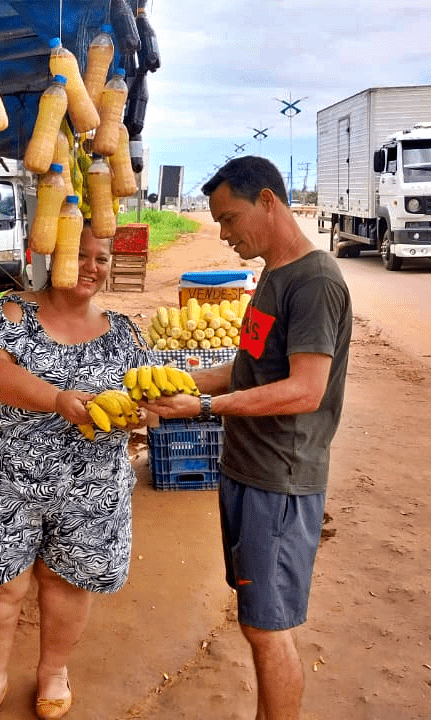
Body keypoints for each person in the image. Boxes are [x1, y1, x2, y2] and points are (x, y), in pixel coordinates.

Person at [144, 156, 352, 720]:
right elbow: (248, 371)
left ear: (267, 200)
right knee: (255, 618)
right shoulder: (275, 276)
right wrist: (179, 382)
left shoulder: (313, 282)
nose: (224, 234)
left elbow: (305, 390)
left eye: (229, 219)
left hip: (279, 480)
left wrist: (205, 407)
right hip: (246, 470)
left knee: (267, 627)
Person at [0, 224, 153, 720]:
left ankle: (53, 673)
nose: (91, 267)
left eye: (101, 258)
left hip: (93, 484)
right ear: (53, 258)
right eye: (80, 255)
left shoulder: (125, 333)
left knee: (68, 583)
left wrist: (139, 414)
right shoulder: (10, 313)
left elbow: (147, 401)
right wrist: (57, 400)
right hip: (8, 478)